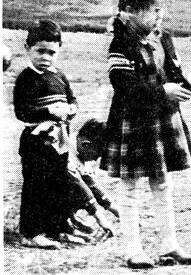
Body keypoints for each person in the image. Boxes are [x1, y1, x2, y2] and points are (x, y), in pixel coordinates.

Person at [100, 0, 191, 269]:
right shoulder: (120, 45)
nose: (160, 16)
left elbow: (174, 74)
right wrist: (162, 91)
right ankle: (133, 250)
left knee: (162, 183)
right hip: (134, 123)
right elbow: (125, 87)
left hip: (161, 121)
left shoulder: (163, 40)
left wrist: (187, 84)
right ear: (129, 10)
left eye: (161, 10)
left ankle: (169, 246)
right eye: (154, 10)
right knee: (130, 187)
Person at [13, 19, 78, 249]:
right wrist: (48, 110)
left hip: (59, 139)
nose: (46, 57)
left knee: (59, 185)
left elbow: (72, 99)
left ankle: (57, 229)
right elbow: (22, 111)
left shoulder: (59, 75)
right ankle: (31, 232)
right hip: (35, 141)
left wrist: (71, 109)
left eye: (52, 52)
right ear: (28, 48)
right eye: (40, 51)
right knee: (36, 186)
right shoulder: (26, 79)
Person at [66, 118, 119, 238]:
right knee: (77, 186)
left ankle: (69, 218)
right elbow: (78, 184)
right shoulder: (66, 150)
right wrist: (101, 219)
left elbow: (92, 185)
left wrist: (119, 212)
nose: (95, 160)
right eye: (95, 155)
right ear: (86, 144)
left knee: (85, 186)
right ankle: (62, 221)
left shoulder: (81, 148)